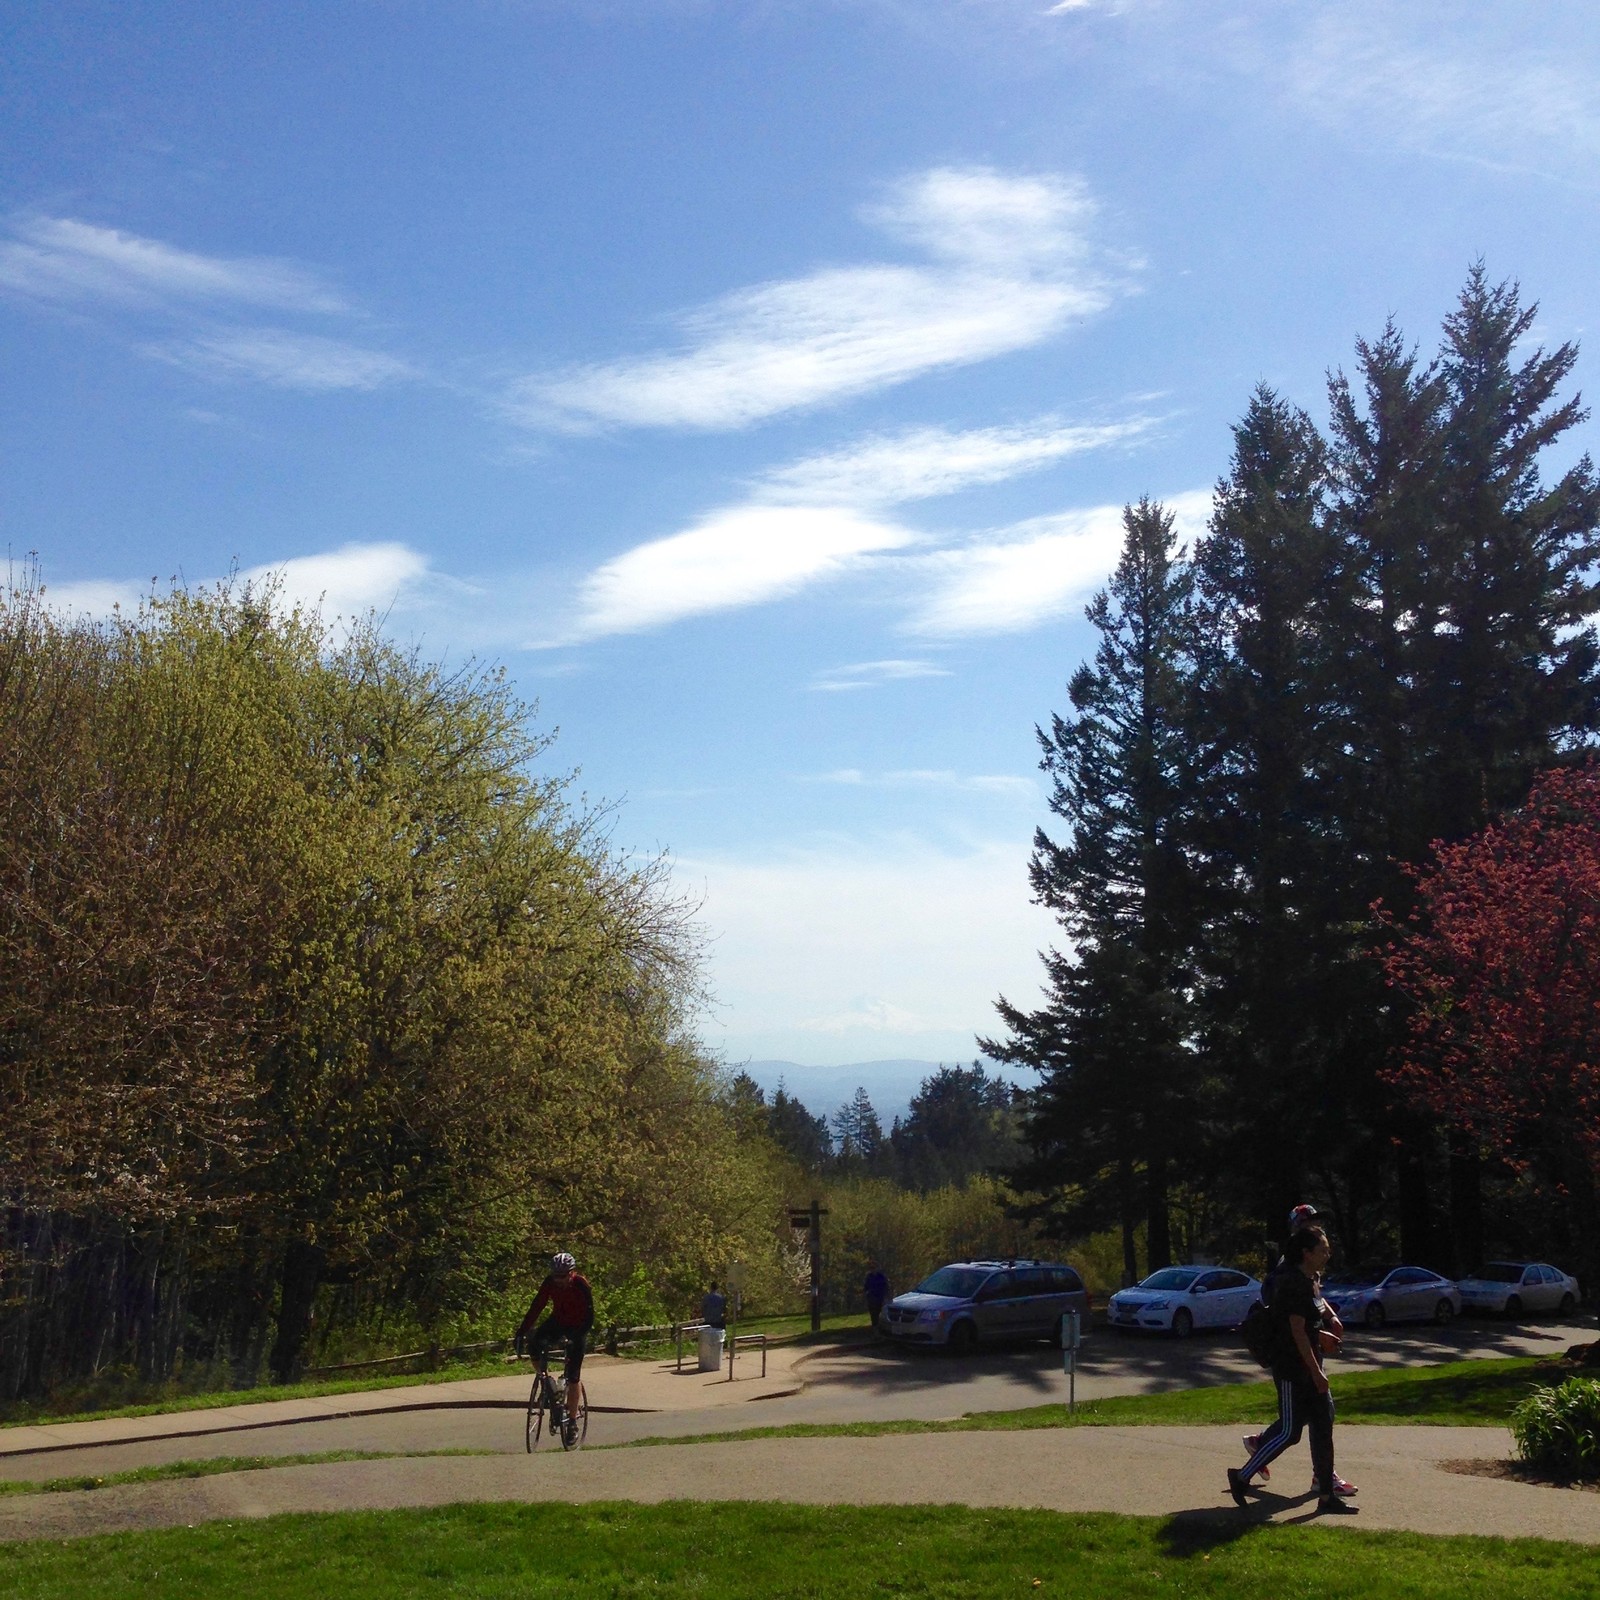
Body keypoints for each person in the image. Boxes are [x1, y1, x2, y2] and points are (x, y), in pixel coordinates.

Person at [1228, 1224, 1357, 1515]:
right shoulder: (1292, 1282)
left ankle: (1327, 1496)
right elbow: (1296, 1333)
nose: (1328, 1253)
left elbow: (1308, 1324)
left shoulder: (1310, 1279)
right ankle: (1240, 1476)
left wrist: (1324, 1331)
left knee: (1323, 1427)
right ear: (1306, 1253)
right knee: (1289, 1432)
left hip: (1310, 1366)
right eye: (1323, 1249)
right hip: (1291, 1370)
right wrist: (1316, 1373)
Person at [514, 1250, 594, 1445]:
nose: (558, 1280)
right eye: (555, 1276)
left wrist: (576, 1337)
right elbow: (537, 1306)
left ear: (571, 1273)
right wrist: (521, 1332)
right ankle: (546, 1381)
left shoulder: (581, 1284)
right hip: (558, 1321)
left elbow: (590, 1316)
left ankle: (573, 1422)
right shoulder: (549, 1283)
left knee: (573, 1376)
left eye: (562, 1276)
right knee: (535, 1343)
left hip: (578, 1326)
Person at [863, 1265, 889, 1330]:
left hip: (880, 1298)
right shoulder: (869, 1277)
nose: (873, 1270)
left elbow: (886, 1287)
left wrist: (886, 1297)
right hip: (872, 1299)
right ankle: (875, 1329)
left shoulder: (881, 1276)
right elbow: (866, 1287)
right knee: (873, 1315)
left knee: (881, 1314)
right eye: (872, 1268)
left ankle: (881, 1328)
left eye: (874, 1268)